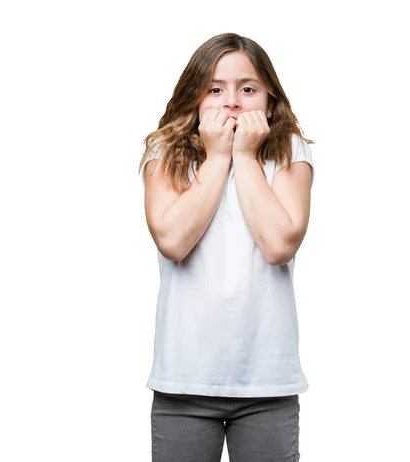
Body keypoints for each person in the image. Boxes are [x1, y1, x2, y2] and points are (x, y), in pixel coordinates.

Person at [138, 32, 315, 462]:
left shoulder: (291, 152)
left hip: (266, 383)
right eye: (215, 89)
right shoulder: (164, 152)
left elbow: (279, 244)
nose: (232, 101)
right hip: (184, 380)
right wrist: (217, 158)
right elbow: (173, 240)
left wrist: (246, 157)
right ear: (195, 99)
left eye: (247, 89)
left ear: (270, 101)